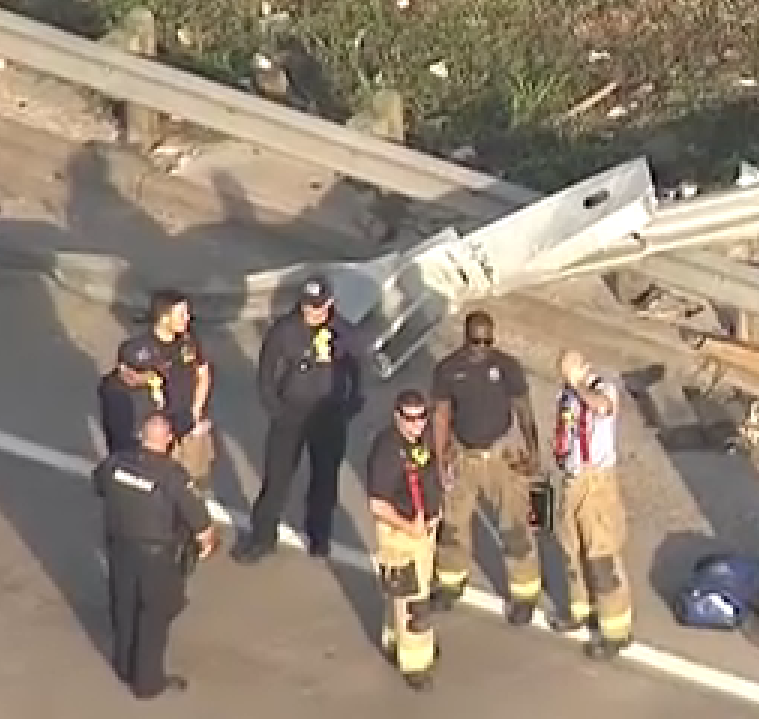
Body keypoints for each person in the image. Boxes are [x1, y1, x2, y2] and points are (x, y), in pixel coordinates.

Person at [232, 274, 367, 563]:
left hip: (329, 415)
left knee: (325, 480)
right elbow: (266, 372)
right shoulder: (285, 331)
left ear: (330, 303)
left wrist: (350, 406)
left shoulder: (345, 333)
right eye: (307, 306)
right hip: (291, 412)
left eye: (317, 307)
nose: (311, 312)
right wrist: (275, 407)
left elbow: (360, 372)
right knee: (277, 479)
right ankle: (262, 537)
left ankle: (319, 535)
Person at [93, 410, 218, 700]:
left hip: (121, 547)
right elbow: (198, 518)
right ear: (169, 440)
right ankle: (147, 682)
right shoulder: (172, 475)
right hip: (156, 555)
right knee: (153, 617)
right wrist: (207, 540)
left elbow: (99, 484)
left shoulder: (116, 463)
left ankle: (124, 664)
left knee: (124, 607)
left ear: (141, 436)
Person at [429, 310, 544, 624]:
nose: (482, 346)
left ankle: (524, 595)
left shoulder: (507, 367)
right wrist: (440, 460)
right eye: (476, 340)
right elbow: (441, 416)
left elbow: (524, 410)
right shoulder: (448, 370)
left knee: (515, 529)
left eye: (487, 340)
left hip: (501, 458)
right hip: (464, 457)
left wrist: (534, 452)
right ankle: (451, 583)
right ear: (465, 337)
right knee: (452, 526)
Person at [551, 349, 633, 658]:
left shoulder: (601, 388)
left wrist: (579, 387)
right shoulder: (567, 396)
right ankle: (581, 610)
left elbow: (601, 407)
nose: (566, 376)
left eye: (571, 370)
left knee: (601, 556)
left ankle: (616, 631)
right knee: (571, 550)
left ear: (584, 367)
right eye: (563, 371)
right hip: (573, 480)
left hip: (597, 483)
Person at [367, 390, 446, 691]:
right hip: (401, 534)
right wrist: (408, 527)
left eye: (421, 417)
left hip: (422, 531)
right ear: (397, 416)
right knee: (414, 603)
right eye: (409, 418)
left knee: (402, 595)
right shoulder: (387, 451)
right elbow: (378, 504)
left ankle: (393, 639)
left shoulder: (421, 440)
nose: (416, 424)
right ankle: (415, 664)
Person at [119, 290, 215, 495]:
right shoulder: (138, 351)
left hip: (189, 426)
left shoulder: (189, 342)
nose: (187, 319)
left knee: (194, 483)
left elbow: (203, 373)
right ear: (164, 317)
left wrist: (197, 411)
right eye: (181, 314)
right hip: (158, 431)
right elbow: (125, 385)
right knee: (157, 486)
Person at [98, 338, 164, 456]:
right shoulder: (118, 400)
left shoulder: (146, 384)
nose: (150, 374)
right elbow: (124, 444)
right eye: (142, 370)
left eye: (152, 368)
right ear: (123, 368)